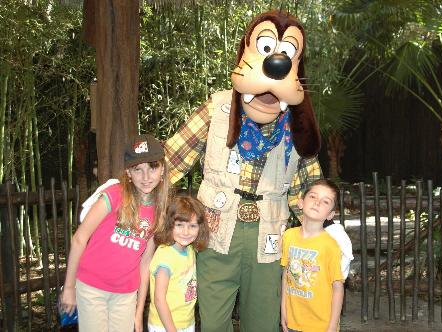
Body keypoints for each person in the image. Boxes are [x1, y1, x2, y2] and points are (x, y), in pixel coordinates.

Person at [164, 10, 322, 332]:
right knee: (212, 321)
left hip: (269, 232)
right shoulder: (219, 108)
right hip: (216, 231)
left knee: (262, 321)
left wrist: (327, 232)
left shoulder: (295, 126)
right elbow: (171, 160)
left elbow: (309, 190)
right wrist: (127, 191)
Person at [60, 134, 170, 332]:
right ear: (128, 172)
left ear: (162, 169)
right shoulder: (114, 195)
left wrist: (138, 312)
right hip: (92, 287)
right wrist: (69, 288)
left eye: (152, 167)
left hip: (126, 293)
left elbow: (145, 262)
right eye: (138, 169)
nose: (146, 177)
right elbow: (79, 238)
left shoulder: (159, 210)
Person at [281, 179, 345, 332]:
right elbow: (286, 275)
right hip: (293, 323)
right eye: (313, 197)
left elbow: (338, 287)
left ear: (330, 214)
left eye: (325, 201)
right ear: (301, 202)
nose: (317, 202)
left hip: (320, 326)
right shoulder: (288, 236)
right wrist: (283, 310)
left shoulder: (330, 245)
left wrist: (332, 327)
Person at [147, 196, 209, 332]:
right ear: (170, 224)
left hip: (186, 322)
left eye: (192, 226)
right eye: (180, 225)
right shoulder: (165, 256)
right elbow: (159, 299)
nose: (186, 232)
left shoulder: (189, 249)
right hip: (164, 325)